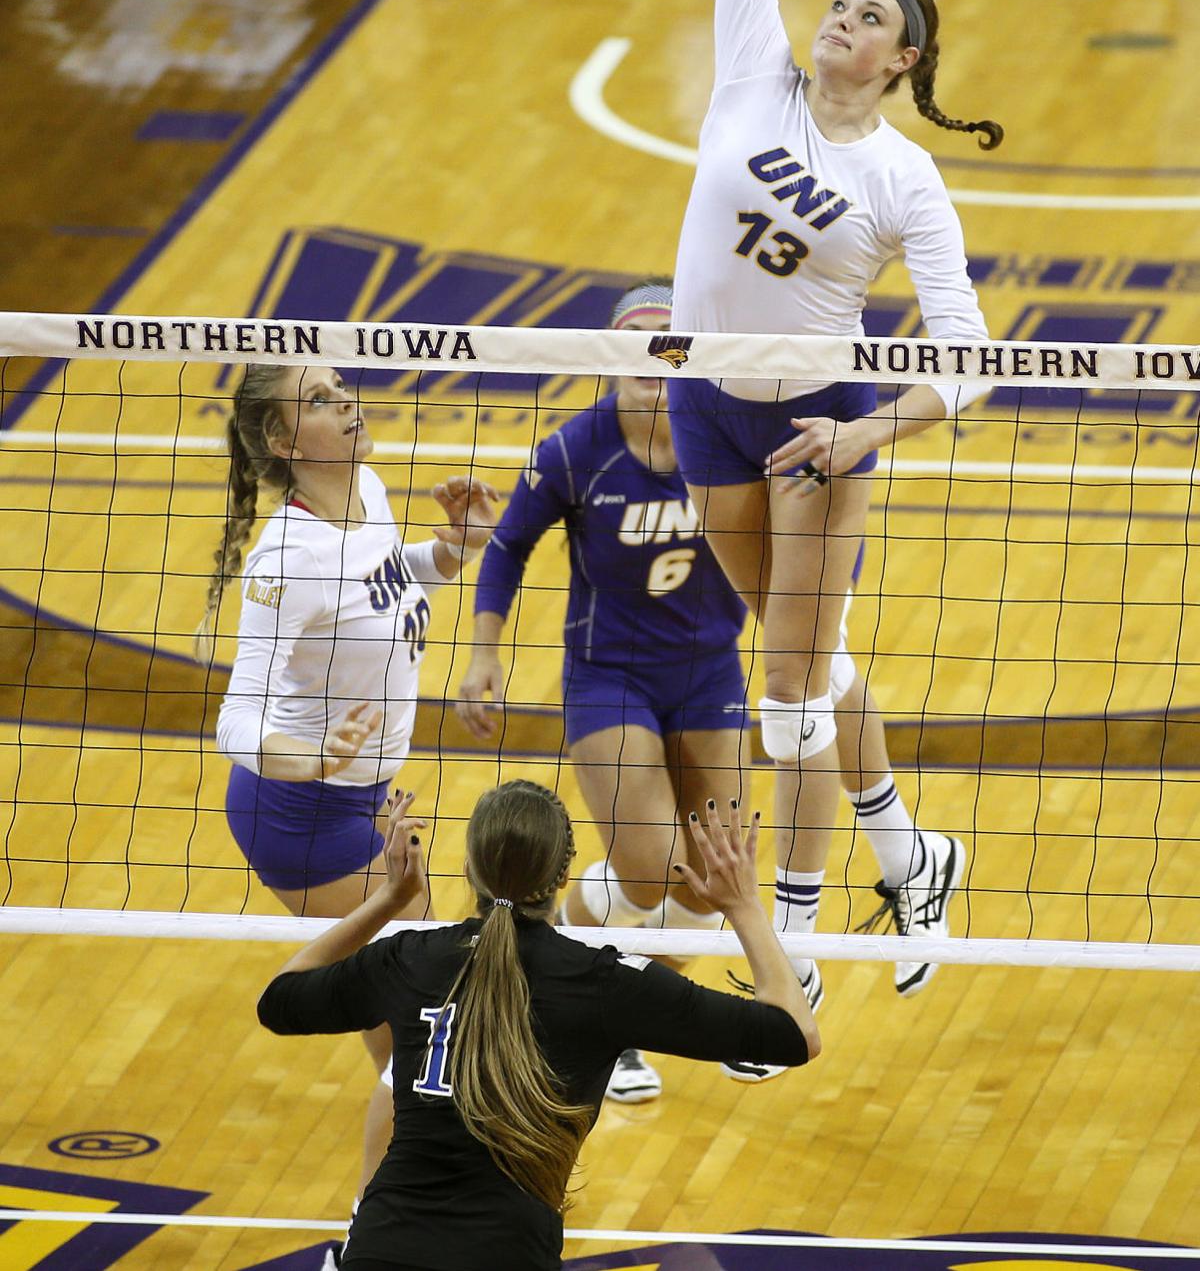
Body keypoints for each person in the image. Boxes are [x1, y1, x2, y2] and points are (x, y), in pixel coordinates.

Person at [667, 0, 999, 1049]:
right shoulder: (755, 76)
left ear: (901, 62)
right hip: (704, 403)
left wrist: (863, 431)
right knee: (813, 655)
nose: (841, 21)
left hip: (820, 426)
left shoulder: (904, 177)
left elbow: (968, 358)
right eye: (841, 4)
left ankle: (789, 961)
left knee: (789, 693)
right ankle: (914, 848)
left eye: (870, 19)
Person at [257, 779, 819, 1271]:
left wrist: (388, 898)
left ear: (469, 868)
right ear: (564, 874)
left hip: (383, 1248)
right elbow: (795, 1035)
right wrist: (743, 906)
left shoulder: (410, 958)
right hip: (508, 1254)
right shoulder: (611, 983)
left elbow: (279, 1001)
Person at [199, 360, 497, 1245]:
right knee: (426, 1035)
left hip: (363, 803)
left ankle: (418, 1200)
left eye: (340, 388)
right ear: (286, 443)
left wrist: (452, 549)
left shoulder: (366, 483)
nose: (347, 403)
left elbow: (385, 584)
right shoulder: (281, 561)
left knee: (424, 1030)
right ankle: (377, 1236)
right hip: (302, 817)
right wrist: (309, 752)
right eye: (321, 401)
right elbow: (234, 718)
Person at [455, 282, 752, 1105]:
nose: (654, 363)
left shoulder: (726, 439)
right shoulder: (575, 449)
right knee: (653, 870)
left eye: (670, 346)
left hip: (711, 672)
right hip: (609, 676)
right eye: (637, 347)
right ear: (611, 356)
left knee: (717, 876)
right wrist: (484, 653)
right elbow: (508, 544)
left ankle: (612, 1022)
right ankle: (566, 950)